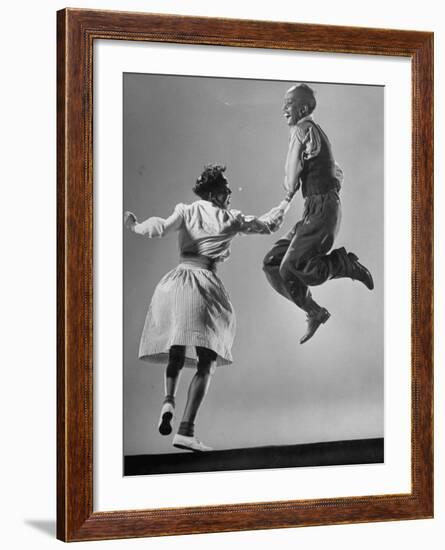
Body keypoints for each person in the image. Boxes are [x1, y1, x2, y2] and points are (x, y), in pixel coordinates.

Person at [124, 165, 286, 452]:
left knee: (177, 343)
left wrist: (136, 225)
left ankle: (168, 400)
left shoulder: (186, 211)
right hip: (203, 285)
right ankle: (186, 430)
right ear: (214, 193)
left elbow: (160, 226)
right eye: (226, 189)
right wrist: (287, 200)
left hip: (174, 283)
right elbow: (267, 225)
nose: (230, 193)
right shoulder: (229, 218)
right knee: (206, 360)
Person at [263, 83, 374, 345]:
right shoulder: (316, 132)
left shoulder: (302, 130)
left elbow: (291, 180)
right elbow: (336, 170)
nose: (283, 110)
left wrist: (286, 201)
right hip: (316, 208)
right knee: (272, 263)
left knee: (292, 266)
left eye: (287, 105)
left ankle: (343, 264)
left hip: (322, 210)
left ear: (302, 108)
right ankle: (315, 312)